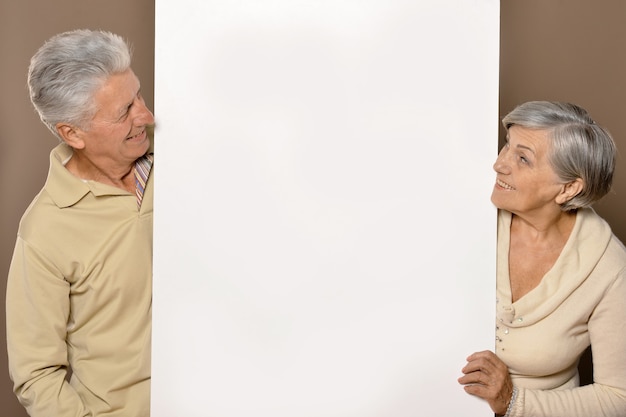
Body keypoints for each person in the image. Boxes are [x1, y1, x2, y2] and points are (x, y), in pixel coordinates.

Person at [6, 29, 155, 417]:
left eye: (138, 95)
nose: (147, 116)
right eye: (124, 111)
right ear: (72, 133)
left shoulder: (183, 156)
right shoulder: (44, 231)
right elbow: (36, 374)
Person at [458, 101, 626, 416]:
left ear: (568, 188)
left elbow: (618, 397)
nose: (500, 164)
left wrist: (512, 401)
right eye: (507, 146)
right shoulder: (469, 213)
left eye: (523, 158)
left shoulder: (610, 269)